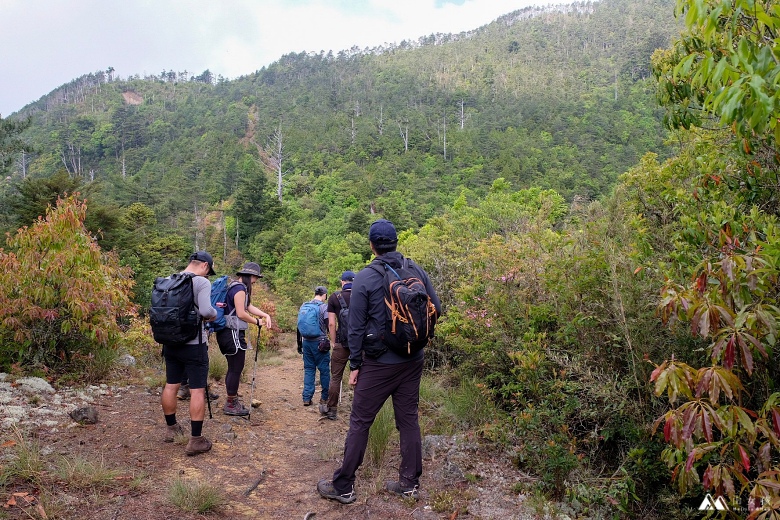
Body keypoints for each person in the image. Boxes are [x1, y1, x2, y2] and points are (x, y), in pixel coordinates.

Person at [317, 219, 441, 504]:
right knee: (408, 420)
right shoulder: (416, 269)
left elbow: (356, 328)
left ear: (372, 245)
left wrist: (356, 365)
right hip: (413, 359)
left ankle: (343, 486)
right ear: (396, 242)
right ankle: (409, 483)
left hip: (378, 364)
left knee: (360, 422)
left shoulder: (365, 277)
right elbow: (437, 308)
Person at [160, 251, 218, 456]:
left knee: (171, 384)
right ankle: (196, 440)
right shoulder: (201, 283)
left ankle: (171, 428)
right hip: (194, 344)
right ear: (204, 265)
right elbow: (205, 311)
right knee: (197, 390)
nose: (208, 275)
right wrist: (214, 313)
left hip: (170, 342)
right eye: (209, 271)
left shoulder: (168, 280)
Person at [215, 262, 272, 416]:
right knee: (236, 368)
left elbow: (248, 306)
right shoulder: (240, 289)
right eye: (255, 278)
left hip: (226, 332)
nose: (255, 281)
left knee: (233, 367)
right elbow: (241, 313)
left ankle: (231, 399)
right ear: (250, 276)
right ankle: (231, 404)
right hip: (232, 332)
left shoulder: (234, 286)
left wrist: (264, 315)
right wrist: (257, 321)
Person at [320, 270, 356, 421]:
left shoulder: (335, 297)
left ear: (342, 282)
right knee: (361, 377)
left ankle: (332, 410)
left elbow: (332, 323)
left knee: (336, 377)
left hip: (341, 342)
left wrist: (334, 341)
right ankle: (359, 410)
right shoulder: (362, 295)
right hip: (360, 345)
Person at [297, 286, 330, 407]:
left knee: (309, 369)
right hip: (320, 343)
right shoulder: (323, 307)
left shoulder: (304, 306)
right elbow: (329, 324)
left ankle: (306, 398)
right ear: (324, 295)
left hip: (306, 342)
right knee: (324, 371)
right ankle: (324, 398)